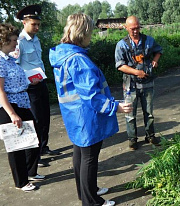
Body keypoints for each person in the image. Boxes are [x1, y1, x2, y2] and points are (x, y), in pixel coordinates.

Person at [49, 13, 132, 206]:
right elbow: (92, 95)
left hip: (74, 115)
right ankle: (92, 201)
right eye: (90, 32)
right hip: (86, 116)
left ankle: (86, 191)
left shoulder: (62, 55)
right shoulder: (78, 59)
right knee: (89, 158)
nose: (91, 36)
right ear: (83, 33)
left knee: (80, 153)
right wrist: (115, 107)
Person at [0, 23, 45, 192]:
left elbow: (15, 79)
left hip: (21, 102)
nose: (16, 44)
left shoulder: (8, 58)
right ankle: (21, 181)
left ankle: (30, 172)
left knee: (33, 138)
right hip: (8, 107)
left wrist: (29, 81)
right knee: (16, 145)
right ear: (2, 40)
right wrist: (11, 114)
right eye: (12, 40)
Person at [15, 5, 60, 166]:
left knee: (45, 118)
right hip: (29, 88)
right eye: (34, 24)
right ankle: (35, 156)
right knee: (34, 120)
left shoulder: (36, 40)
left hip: (40, 82)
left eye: (38, 24)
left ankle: (43, 147)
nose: (37, 27)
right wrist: (27, 81)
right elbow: (15, 68)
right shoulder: (18, 43)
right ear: (24, 23)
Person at [115, 16, 163, 150]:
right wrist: (137, 72)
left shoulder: (149, 40)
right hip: (130, 86)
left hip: (148, 83)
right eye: (132, 29)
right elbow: (120, 66)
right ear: (126, 28)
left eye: (137, 28)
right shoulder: (121, 45)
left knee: (149, 112)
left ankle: (151, 136)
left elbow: (158, 50)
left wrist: (155, 60)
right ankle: (132, 139)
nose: (135, 31)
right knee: (130, 113)